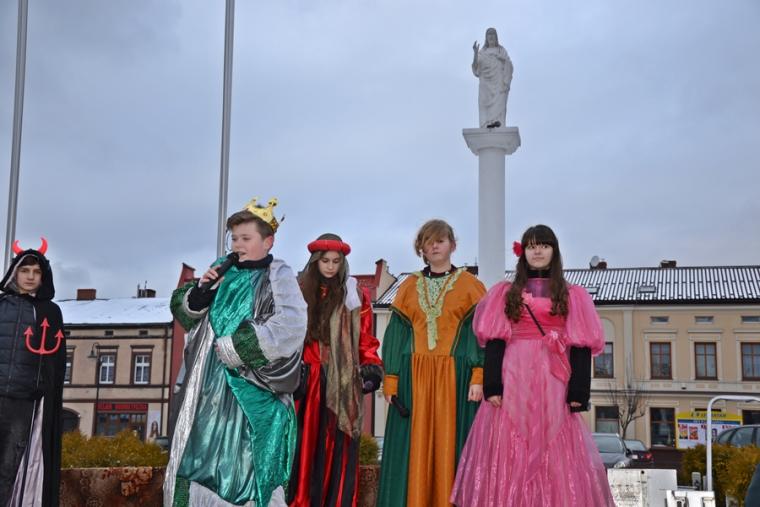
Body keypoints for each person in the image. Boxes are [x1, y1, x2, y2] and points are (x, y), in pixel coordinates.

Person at [450, 225, 614, 507]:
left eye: (544, 245)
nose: (537, 251)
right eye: (531, 246)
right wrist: (492, 385)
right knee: (510, 445)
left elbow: (581, 344)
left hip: (554, 379)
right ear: (523, 252)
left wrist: (579, 391)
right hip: (514, 377)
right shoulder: (505, 293)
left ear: (554, 251)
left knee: (554, 444)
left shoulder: (573, 295)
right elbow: (495, 340)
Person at [164, 198, 308, 507]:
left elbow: (291, 325)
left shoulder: (277, 276)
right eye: (234, 238)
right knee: (201, 458)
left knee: (246, 464)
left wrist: (237, 346)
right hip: (210, 388)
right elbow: (188, 316)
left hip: (254, 388)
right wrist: (200, 294)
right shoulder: (222, 271)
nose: (238, 245)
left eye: (246, 238)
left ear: (268, 242)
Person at [377, 219, 486, 507]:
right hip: (414, 378)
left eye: (440, 240)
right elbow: (396, 334)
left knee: (452, 445)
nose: (435, 246)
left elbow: (480, 334)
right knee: (413, 447)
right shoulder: (409, 286)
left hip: (456, 378)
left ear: (452, 245)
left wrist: (478, 374)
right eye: (429, 242)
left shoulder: (471, 286)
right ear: (421, 248)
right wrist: (391, 378)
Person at [287, 233, 383, 507]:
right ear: (315, 261)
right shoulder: (297, 293)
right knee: (302, 449)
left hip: (341, 382)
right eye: (325, 260)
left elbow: (365, 338)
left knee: (337, 449)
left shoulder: (355, 295)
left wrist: (371, 367)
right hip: (304, 383)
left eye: (336, 261)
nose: (330, 266)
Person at [0, 239, 66, 507]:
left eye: (36, 272)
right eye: (25, 270)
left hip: (23, 401)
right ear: (15, 272)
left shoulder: (49, 312)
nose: (30, 277)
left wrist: (41, 388)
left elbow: (54, 362)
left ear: (43, 276)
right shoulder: (1, 305)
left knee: (9, 467)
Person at [472, 27, 513, 129]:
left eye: (493, 34)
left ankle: (498, 122)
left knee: (499, 103)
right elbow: (476, 68)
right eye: (489, 34)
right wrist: (475, 54)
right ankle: (486, 123)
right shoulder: (482, 52)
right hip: (485, 84)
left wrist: (502, 59)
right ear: (486, 37)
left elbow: (509, 64)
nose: (491, 36)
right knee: (484, 102)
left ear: (496, 37)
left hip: (498, 81)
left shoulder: (501, 50)